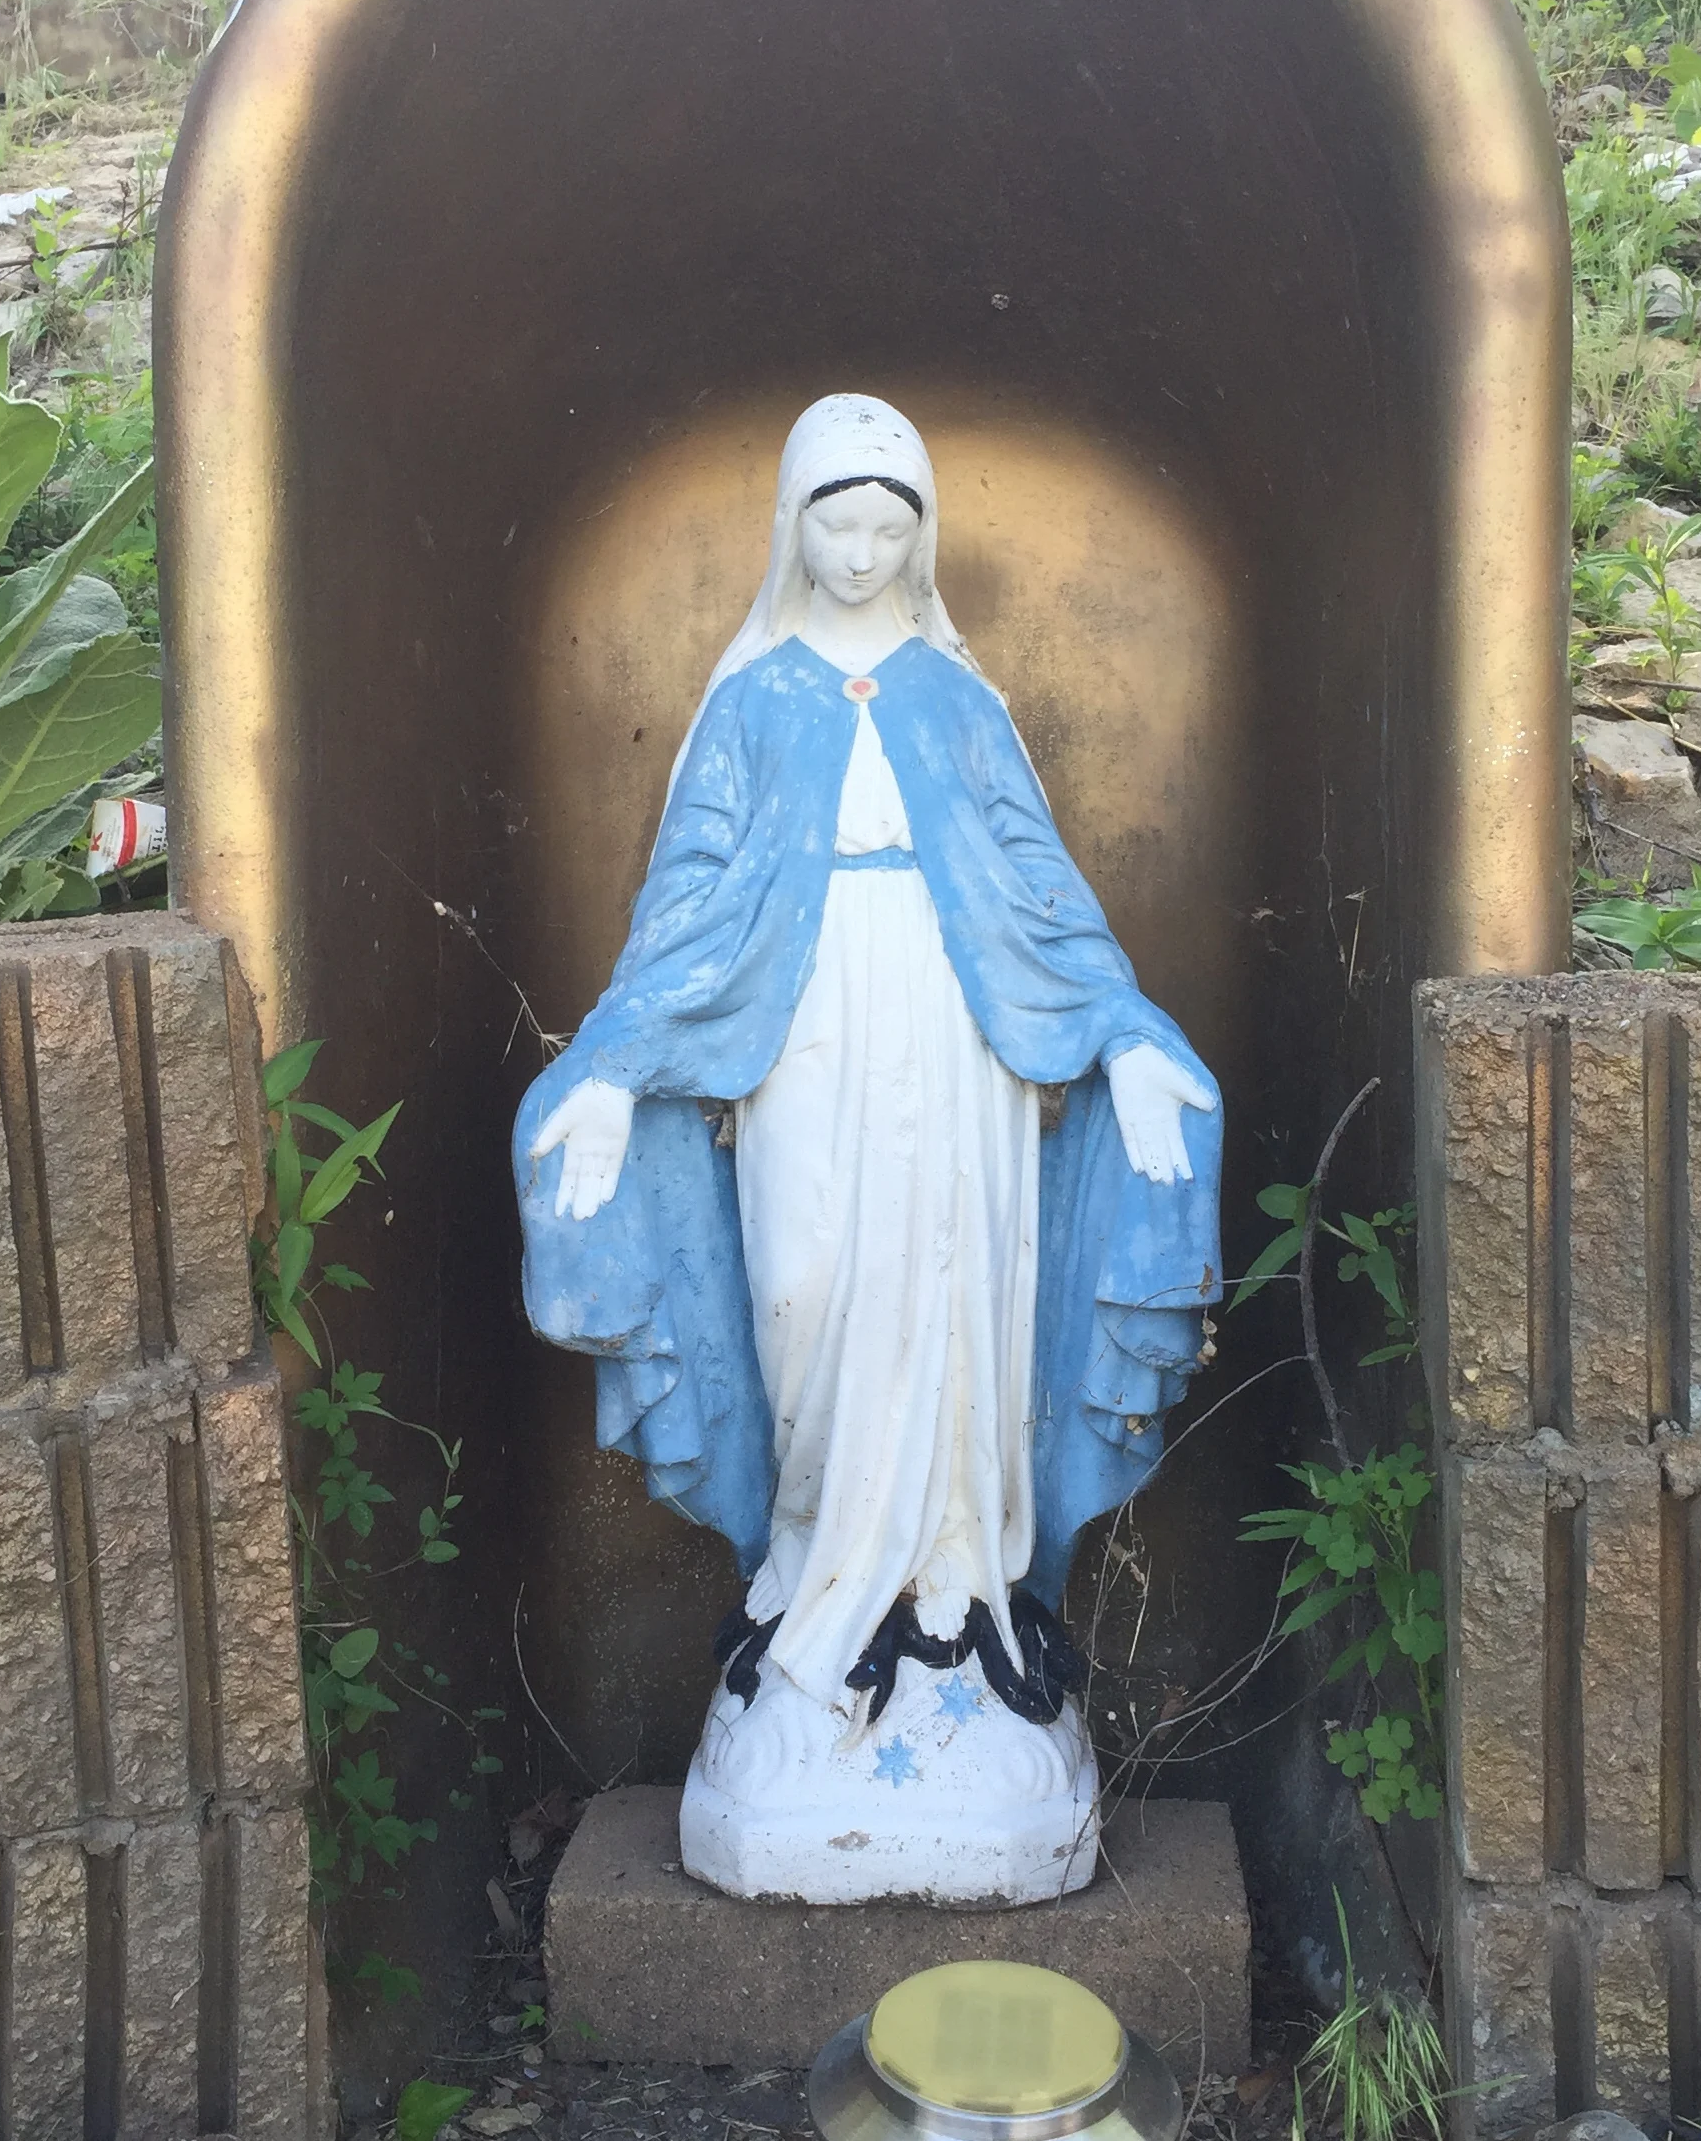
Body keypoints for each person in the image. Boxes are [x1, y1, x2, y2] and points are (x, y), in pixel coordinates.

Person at [515, 394, 1221, 1898]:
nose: (858, 549)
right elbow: (690, 899)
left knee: (952, 1300)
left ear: (922, 538)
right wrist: (609, 1065)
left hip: (956, 1035)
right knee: (810, 1291)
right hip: (803, 1030)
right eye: (834, 522)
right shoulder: (751, 699)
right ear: (790, 526)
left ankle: (952, 1595)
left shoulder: (957, 701)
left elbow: (1034, 882)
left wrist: (1124, 1036)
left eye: (887, 524)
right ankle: (815, 1581)